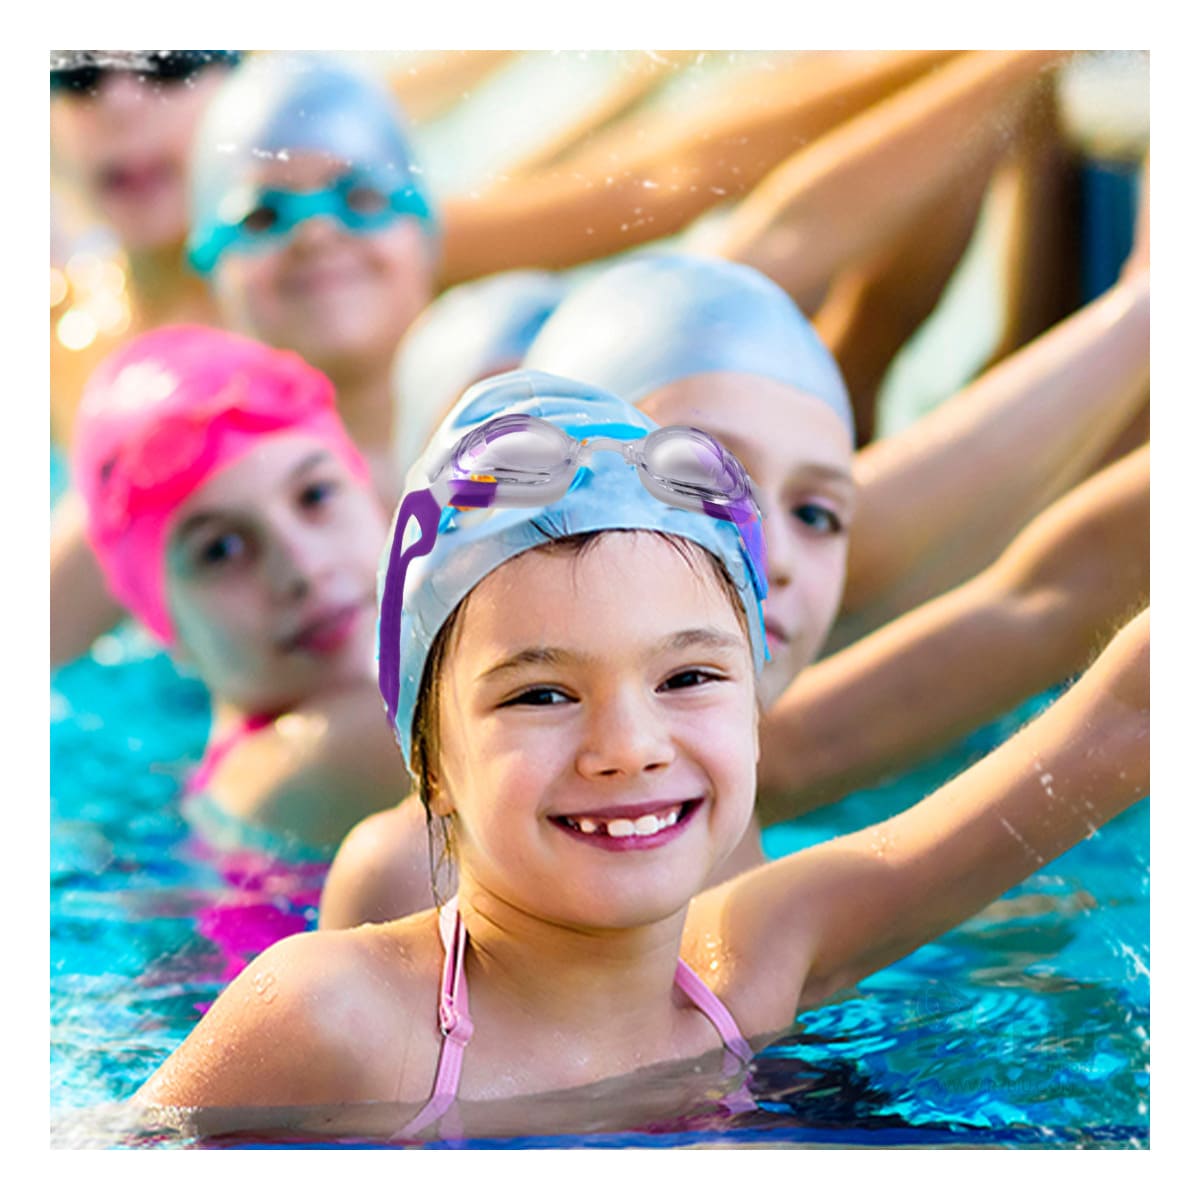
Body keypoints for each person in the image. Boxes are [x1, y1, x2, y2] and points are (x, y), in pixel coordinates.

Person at [135, 371, 1148, 1140]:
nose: (628, 748)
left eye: (688, 679)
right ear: (430, 761)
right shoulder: (337, 1019)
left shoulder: (753, 960)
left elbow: (1117, 721)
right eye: (541, 694)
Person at [319, 251, 1147, 928]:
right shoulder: (411, 869)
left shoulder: (721, 781)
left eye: (818, 513)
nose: (771, 554)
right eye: (703, 480)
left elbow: (1053, 608)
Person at [71, 324, 405, 852]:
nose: (303, 566)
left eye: (315, 496)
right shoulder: (308, 765)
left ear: (375, 497)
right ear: (163, 624)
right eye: (221, 550)